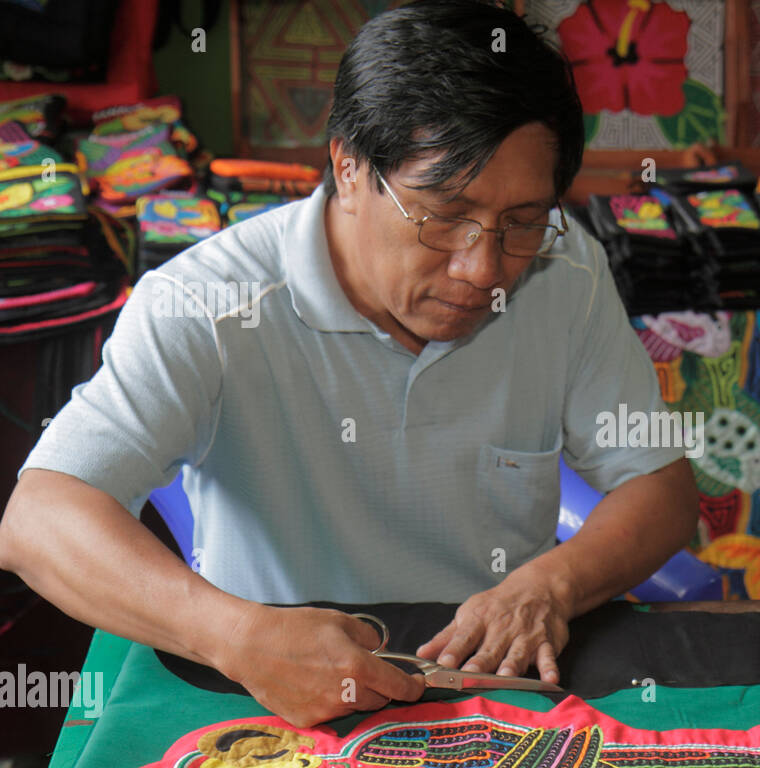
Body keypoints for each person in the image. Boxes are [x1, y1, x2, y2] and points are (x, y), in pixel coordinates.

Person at [0, 0, 699, 727]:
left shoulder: (565, 273)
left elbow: (659, 487)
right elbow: (40, 517)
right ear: (349, 168)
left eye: (521, 221)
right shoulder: (209, 303)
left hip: (497, 697)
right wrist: (235, 635)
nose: (483, 267)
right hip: (274, 705)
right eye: (444, 214)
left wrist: (548, 586)